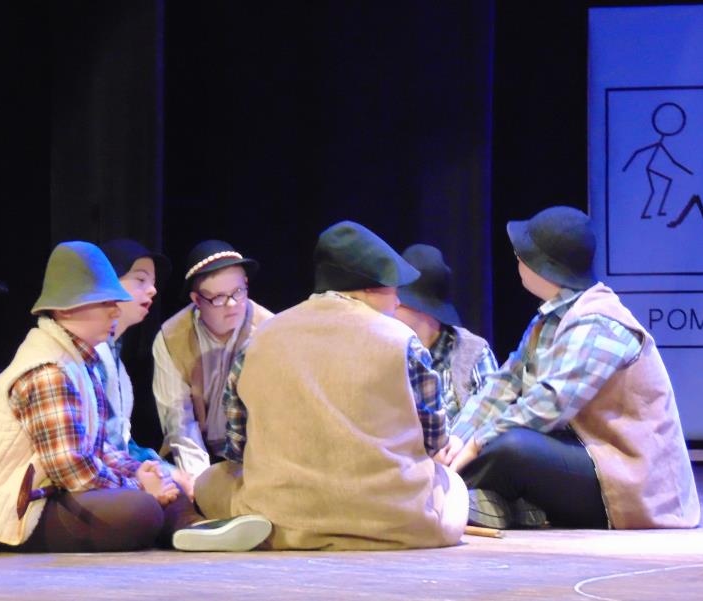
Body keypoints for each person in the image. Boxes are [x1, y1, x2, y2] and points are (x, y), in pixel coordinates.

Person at [0, 241, 271, 552]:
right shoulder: (48, 369)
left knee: (163, 486)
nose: (116, 311)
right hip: (8, 516)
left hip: (49, 494)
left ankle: (193, 528)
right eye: (106, 303)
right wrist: (140, 487)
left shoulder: (80, 363)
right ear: (69, 308)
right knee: (140, 509)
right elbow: (73, 470)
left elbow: (99, 448)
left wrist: (143, 473)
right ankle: (180, 525)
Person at [193, 221, 469, 551]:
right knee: (453, 485)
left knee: (209, 481)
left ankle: (250, 524)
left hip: (282, 517)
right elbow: (434, 438)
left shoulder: (259, 339)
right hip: (396, 521)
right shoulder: (403, 341)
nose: (397, 301)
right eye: (392, 290)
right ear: (368, 289)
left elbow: (237, 445)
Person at [447, 206, 700, 530]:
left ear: (544, 267)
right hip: (587, 456)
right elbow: (505, 383)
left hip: (630, 480)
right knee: (498, 445)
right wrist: (456, 439)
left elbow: (550, 403)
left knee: (512, 448)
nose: (517, 261)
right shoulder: (552, 317)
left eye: (523, 255)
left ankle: (438, 494)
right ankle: (491, 502)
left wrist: (476, 443)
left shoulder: (599, 323)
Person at [152, 239, 273, 482]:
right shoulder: (172, 338)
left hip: (256, 456)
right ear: (197, 300)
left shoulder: (269, 330)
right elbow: (179, 420)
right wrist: (202, 484)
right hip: (198, 455)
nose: (232, 304)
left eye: (238, 292)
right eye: (218, 297)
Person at [96, 239, 192, 499]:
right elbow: (99, 445)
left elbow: (121, 441)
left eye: (153, 282)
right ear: (109, 283)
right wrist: (157, 473)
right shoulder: (89, 355)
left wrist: (165, 469)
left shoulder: (114, 356)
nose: (152, 290)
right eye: (140, 280)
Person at [394, 244, 498, 426]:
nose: (392, 305)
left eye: (399, 302)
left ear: (422, 309)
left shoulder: (474, 352)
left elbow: (489, 416)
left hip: (461, 444)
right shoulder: (383, 348)